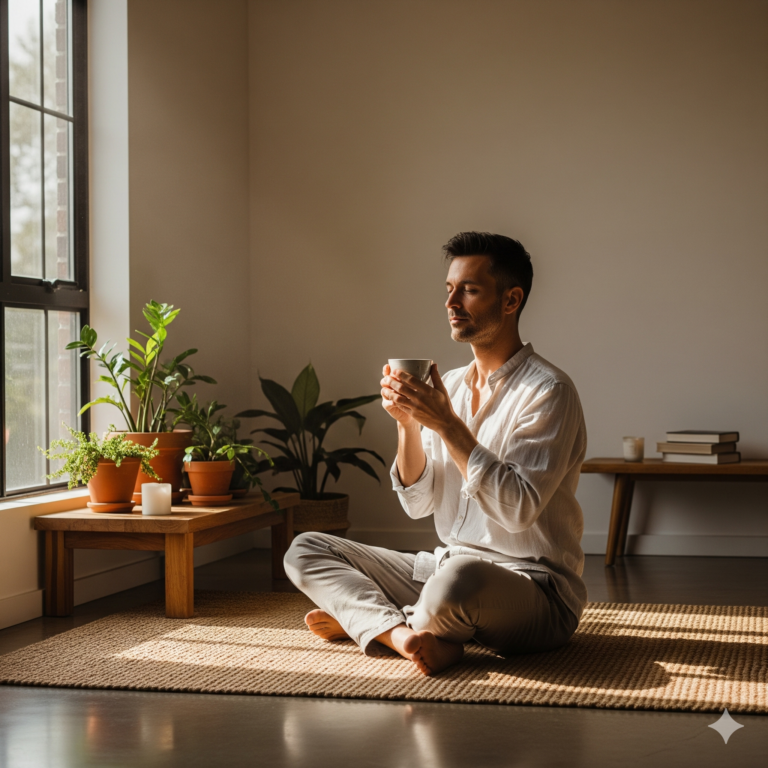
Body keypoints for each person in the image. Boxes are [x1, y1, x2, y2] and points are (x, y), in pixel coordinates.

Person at [284, 232, 587, 676]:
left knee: (458, 582)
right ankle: (405, 635)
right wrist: (408, 424)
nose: (452, 302)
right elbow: (417, 503)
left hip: (533, 590)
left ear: (510, 300)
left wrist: (446, 423)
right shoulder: (453, 385)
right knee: (304, 548)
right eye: (449, 289)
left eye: (469, 289)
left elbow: (518, 511)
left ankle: (369, 619)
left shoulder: (548, 392)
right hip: (443, 568)